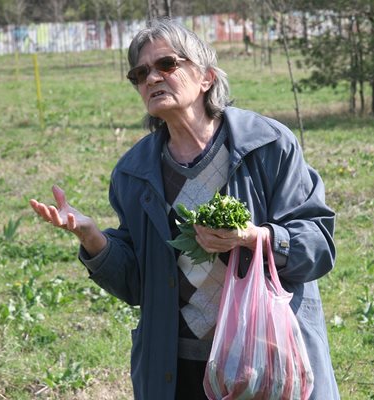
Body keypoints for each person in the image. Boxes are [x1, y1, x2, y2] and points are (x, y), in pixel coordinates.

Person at [30, 18, 340, 400]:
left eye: (166, 65)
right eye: (140, 73)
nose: (152, 78)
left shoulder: (268, 146)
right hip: (179, 370)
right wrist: (92, 238)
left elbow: (318, 246)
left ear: (207, 76)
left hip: (267, 357)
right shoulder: (133, 172)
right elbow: (137, 284)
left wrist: (255, 238)